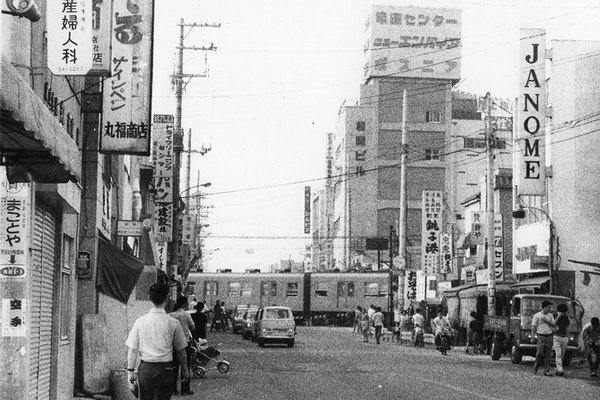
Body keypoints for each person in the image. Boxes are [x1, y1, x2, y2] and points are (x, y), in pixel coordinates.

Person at [125, 283, 189, 400]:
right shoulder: (173, 323)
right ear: (167, 298)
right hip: (165, 370)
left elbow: (132, 349)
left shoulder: (140, 321)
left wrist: (130, 371)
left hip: (146, 370)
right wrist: (185, 369)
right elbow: (181, 351)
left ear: (149, 297)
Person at [169, 296, 196, 395]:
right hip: (185, 343)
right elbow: (193, 328)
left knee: (174, 366)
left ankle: (173, 389)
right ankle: (185, 390)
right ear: (185, 304)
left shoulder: (171, 315)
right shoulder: (186, 315)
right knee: (185, 366)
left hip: (174, 344)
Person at [531, 300, 556, 376]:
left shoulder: (550, 316)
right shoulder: (537, 316)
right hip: (540, 336)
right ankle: (536, 366)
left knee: (548, 354)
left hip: (549, 336)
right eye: (548, 307)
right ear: (544, 307)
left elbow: (554, 325)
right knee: (540, 352)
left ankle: (546, 370)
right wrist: (532, 337)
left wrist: (547, 321)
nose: (550, 309)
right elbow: (533, 326)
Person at [553, 303, 570, 376]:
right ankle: (560, 369)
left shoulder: (566, 317)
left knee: (562, 354)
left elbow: (568, 326)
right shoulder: (555, 315)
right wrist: (558, 316)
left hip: (564, 337)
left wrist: (568, 337)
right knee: (558, 353)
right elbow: (553, 323)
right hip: (557, 336)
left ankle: (558, 368)